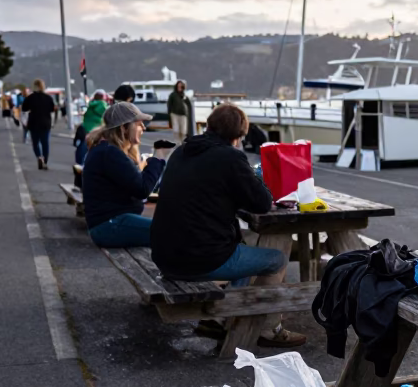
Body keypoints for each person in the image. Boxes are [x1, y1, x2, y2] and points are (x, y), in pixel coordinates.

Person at [151, 104, 284, 289]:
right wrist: (256, 176)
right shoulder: (230, 158)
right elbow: (263, 203)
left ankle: (231, 311)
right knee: (277, 259)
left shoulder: (181, 151)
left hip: (165, 256)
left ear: (209, 125)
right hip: (198, 260)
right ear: (238, 137)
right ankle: (247, 316)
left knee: (242, 247)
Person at [82, 102, 168, 248]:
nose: (144, 128)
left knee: (173, 229)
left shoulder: (107, 150)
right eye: (139, 124)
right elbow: (142, 189)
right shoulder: (110, 153)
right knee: (173, 231)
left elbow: (137, 185)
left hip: (109, 224)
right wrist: (159, 156)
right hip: (110, 225)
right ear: (124, 127)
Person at [22, 79, 56, 169]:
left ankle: (39, 156)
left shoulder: (30, 97)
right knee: (45, 143)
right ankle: (45, 161)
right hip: (45, 123)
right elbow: (53, 109)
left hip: (33, 123)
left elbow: (24, 108)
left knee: (35, 143)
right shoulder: (48, 98)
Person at [76, 90, 108, 165]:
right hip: (96, 127)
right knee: (96, 145)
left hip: (86, 126)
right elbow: (106, 114)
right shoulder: (102, 104)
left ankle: (81, 161)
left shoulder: (91, 104)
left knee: (84, 144)